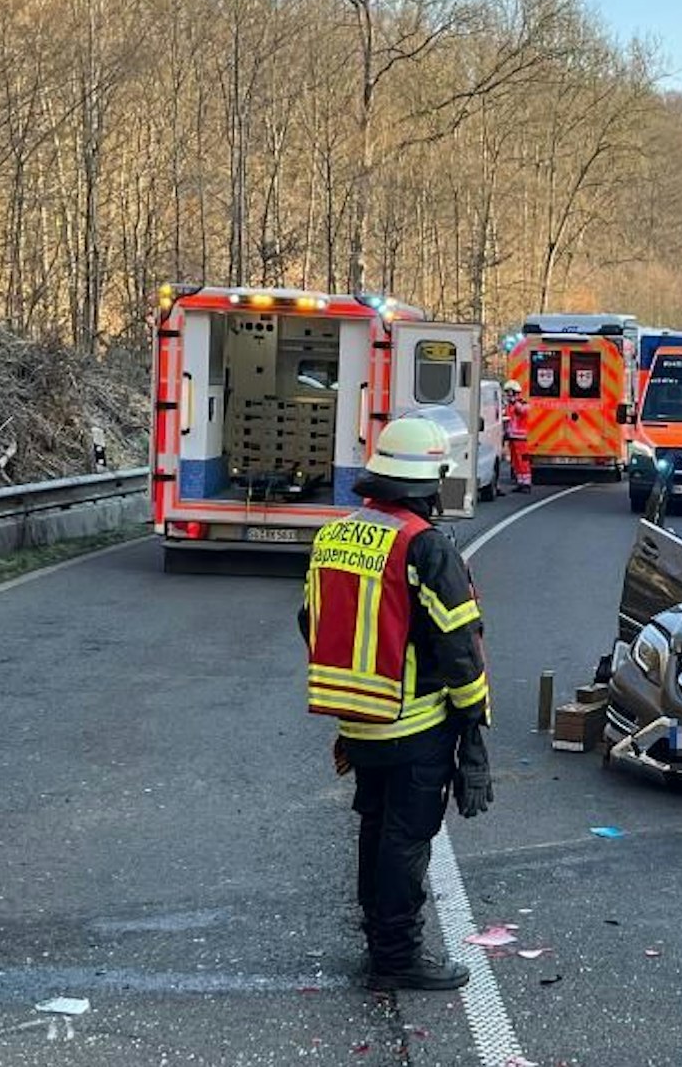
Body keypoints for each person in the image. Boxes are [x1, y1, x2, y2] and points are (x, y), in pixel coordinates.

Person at [301, 416, 494, 993]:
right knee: (406, 840)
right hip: (414, 724)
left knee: (376, 830)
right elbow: (460, 651)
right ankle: (397, 957)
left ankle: (379, 942)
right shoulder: (425, 546)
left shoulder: (334, 535)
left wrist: (355, 699)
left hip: (358, 723)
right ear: (430, 480)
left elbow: (310, 622)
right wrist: (475, 744)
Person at [501, 379, 532, 492]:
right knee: (515, 461)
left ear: (516, 393)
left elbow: (523, 411)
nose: (508, 395)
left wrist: (515, 402)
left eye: (510, 392)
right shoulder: (509, 405)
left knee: (523, 461)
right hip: (512, 437)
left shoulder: (522, 404)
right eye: (507, 393)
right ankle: (520, 482)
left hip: (521, 438)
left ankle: (526, 483)